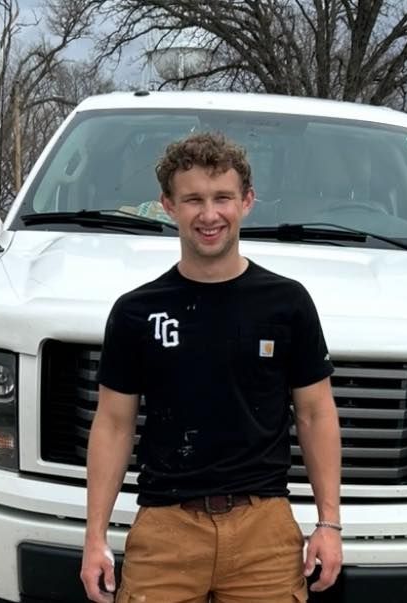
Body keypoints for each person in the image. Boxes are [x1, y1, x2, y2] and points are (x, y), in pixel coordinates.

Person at [80, 132, 344, 602]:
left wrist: (328, 524)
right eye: (193, 199)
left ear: (246, 201)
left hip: (264, 528)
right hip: (165, 528)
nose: (209, 214)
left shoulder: (288, 303)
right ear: (168, 205)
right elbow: (115, 424)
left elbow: (316, 414)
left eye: (222, 197)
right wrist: (94, 537)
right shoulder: (136, 312)